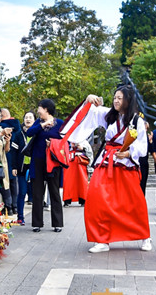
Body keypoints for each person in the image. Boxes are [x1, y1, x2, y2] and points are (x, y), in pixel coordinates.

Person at [61, 85, 152, 253]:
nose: (116, 101)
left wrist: (129, 152)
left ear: (128, 100)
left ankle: (144, 236)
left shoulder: (137, 121)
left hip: (125, 164)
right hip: (106, 161)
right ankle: (102, 239)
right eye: (115, 97)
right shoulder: (109, 115)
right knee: (97, 199)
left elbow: (143, 147)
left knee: (132, 202)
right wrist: (89, 99)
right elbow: (90, 111)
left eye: (120, 98)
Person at [26, 99, 64, 233]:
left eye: (40, 108)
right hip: (37, 161)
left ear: (46, 109)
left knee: (54, 192)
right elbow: (29, 133)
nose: (38, 110)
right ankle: (37, 223)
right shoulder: (38, 122)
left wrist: (52, 144)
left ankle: (57, 223)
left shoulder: (60, 123)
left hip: (53, 162)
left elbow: (66, 142)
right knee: (37, 192)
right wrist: (43, 125)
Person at [0, 108, 21, 215]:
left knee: (5, 183)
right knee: (14, 182)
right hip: (15, 157)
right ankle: (15, 206)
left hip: (5, 156)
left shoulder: (2, 127)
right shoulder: (18, 126)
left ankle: (8, 207)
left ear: (2, 115)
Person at [15, 111, 35, 225]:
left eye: (30, 117)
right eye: (26, 117)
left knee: (36, 194)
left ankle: (36, 220)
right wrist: (14, 166)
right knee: (22, 192)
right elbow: (13, 151)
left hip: (35, 167)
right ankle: (20, 217)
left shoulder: (37, 133)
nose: (28, 119)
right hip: (21, 167)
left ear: (34, 120)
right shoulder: (18, 134)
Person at [62, 140, 93, 207]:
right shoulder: (67, 140)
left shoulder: (83, 140)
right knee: (68, 181)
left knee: (82, 181)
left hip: (81, 162)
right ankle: (67, 200)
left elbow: (90, 153)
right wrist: (70, 146)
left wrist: (83, 148)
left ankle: (83, 199)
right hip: (69, 161)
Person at [139, 120, 152, 195]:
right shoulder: (133, 137)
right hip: (135, 163)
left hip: (144, 163)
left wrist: (150, 142)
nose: (145, 130)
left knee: (143, 183)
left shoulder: (147, 138)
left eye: (146, 129)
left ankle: (142, 200)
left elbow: (151, 150)